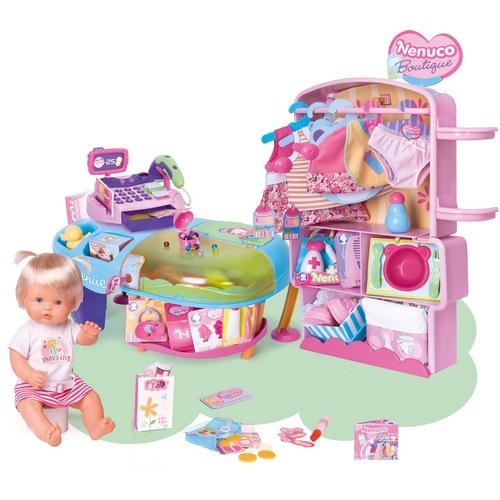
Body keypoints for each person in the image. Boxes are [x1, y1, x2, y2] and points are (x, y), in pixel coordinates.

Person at [9, 251, 115, 446]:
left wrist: (90, 335)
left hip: (66, 384)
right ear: (24, 297)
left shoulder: (68, 327)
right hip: (33, 387)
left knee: (91, 398)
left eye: (57, 302)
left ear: (72, 303)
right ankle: (46, 432)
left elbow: (82, 339)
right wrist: (29, 374)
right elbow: (16, 357)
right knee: (28, 406)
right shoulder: (28, 331)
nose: (47, 308)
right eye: (39, 300)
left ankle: (95, 425)